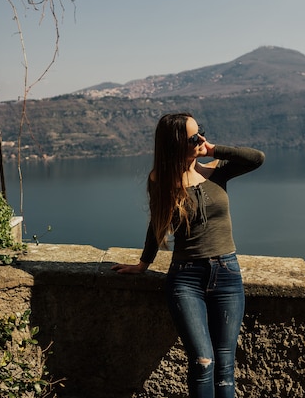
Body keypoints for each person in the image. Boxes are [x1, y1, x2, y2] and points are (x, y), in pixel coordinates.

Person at [112, 112, 265, 398]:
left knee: (225, 368)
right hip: (186, 279)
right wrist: (143, 264)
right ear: (175, 144)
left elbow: (256, 158)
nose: (201, 140)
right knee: (202, 361)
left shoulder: (217, 170)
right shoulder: (161, 180)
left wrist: (214, 149)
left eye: (201, 133)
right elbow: (156, 225)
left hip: (228, 275)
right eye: (194, 138)